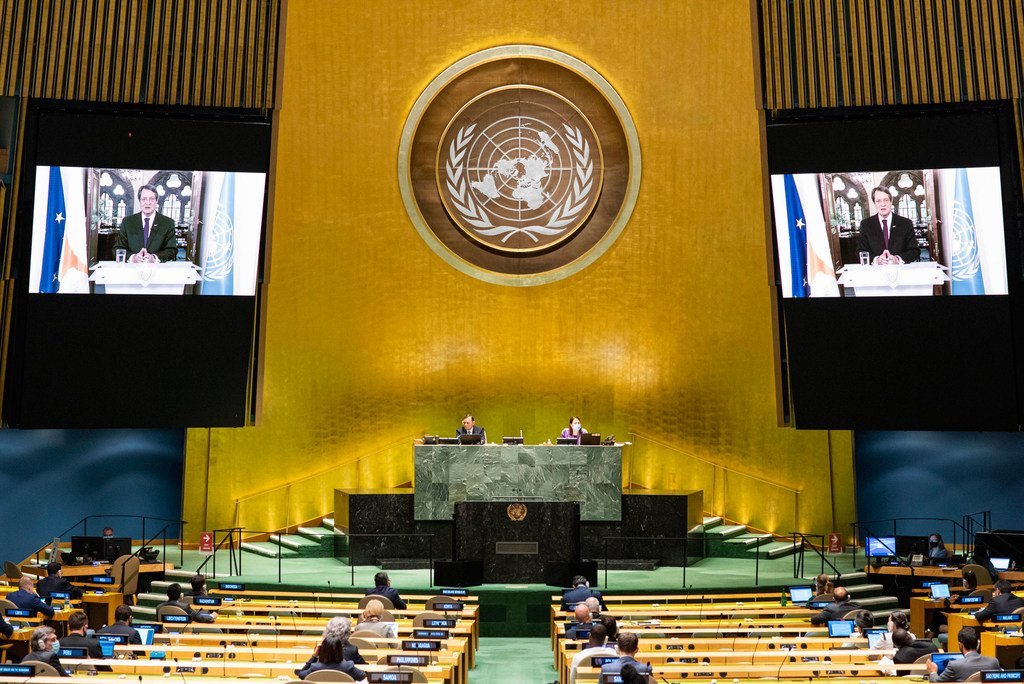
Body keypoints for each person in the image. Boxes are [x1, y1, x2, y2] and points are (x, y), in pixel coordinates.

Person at [112, 184, 178, 263]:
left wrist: (154, 258)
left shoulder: (168, 223)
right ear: (139, 200)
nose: (148, 202)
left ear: (157, 201)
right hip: (132, 270)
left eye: (152, 199)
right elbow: (118, 248)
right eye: (144, 199)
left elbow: (172, 250)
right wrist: (133, 258)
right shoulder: (127, 222)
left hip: (158, 270)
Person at [856, 186, 919, 265]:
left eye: (886, 200)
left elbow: (914, 251)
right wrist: (876, 260)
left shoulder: (906, 223)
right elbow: (860, 251)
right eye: (878, 201)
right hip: (876, 271)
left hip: (900, 271)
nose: (882, 204)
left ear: (891, 201)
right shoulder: (865, 224)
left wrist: (897, 259)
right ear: (874, 203)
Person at [927, 627, 1001, 681]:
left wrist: (933, 672)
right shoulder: (993, 662)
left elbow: (937, 682)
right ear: (978, 644)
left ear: (960, 645)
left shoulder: (954, 665)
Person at [295, 634, 366, 682]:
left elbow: (301, 674)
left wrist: (314, 656)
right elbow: (362, 676)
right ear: (340, 650)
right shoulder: (348, 666)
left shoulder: (315, 667)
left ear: (322, 650)